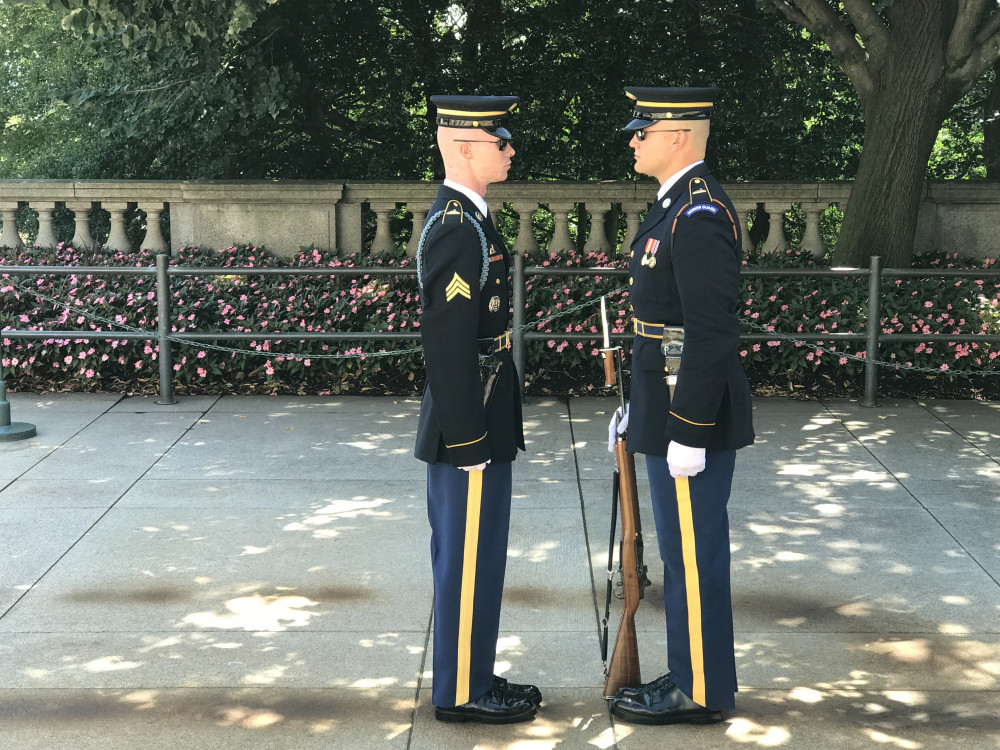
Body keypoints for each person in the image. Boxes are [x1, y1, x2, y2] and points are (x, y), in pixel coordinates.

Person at [606, 86, 755, 725]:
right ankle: (691, 671)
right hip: (662, 405)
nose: (633, 138)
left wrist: (689, 431)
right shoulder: (674, 207)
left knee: (692, 555)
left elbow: (710, 330)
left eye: (644, 129)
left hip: (687, 416)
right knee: (679, 549)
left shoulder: (697, 215)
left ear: (680, 138)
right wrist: (638, 409)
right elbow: (659, 326)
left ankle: (699, 692)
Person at [413, 94, 540, 724]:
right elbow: (447, 342)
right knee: (467, 560)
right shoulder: (460, 230)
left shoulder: (471, 220)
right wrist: (466, 441)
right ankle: (463, 692)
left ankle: (474, 674)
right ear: (465, 147)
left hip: (483, 414)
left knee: (479, 555)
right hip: (469, 425)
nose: (511, 150)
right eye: (501, 142)